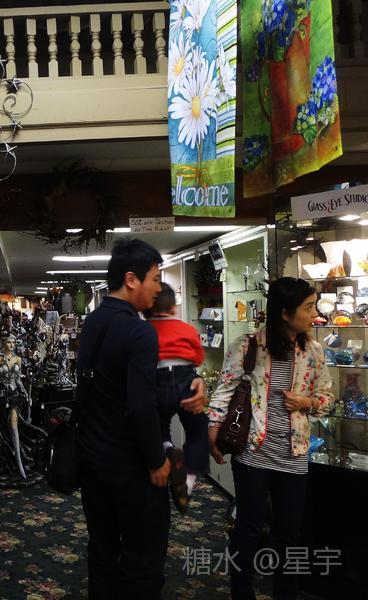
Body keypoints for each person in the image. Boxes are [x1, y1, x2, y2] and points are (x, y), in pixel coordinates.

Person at [77, 239, 206, 599]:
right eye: (155, 278)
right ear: (131, 279)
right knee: (144, 561)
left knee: (102, 551)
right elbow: (140, 405)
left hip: (92, 460)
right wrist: (156, 460)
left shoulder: (93, 321)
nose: (158, 288)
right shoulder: (139, 331)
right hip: (131, 465)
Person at [208, 277, 334, 600]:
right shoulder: (247, 346)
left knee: (288, 534)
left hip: (294, 455)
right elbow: (224, 390)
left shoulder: (313, 351)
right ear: (285, 313)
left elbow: (326, 399)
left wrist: (306, 402)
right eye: (308, 307)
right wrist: (213, 431)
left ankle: (286, 594)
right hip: (253, 452)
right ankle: (242, 593)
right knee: (248, 528)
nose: (315, 314)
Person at [145, 282, 208, 514]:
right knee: (198, 430)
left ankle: (169, 450)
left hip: (156, 378)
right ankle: (188, 480)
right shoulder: (186, 328)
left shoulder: (144, 329)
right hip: (185, 378)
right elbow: (198, 357)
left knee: (160, 425)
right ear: (173, 307)